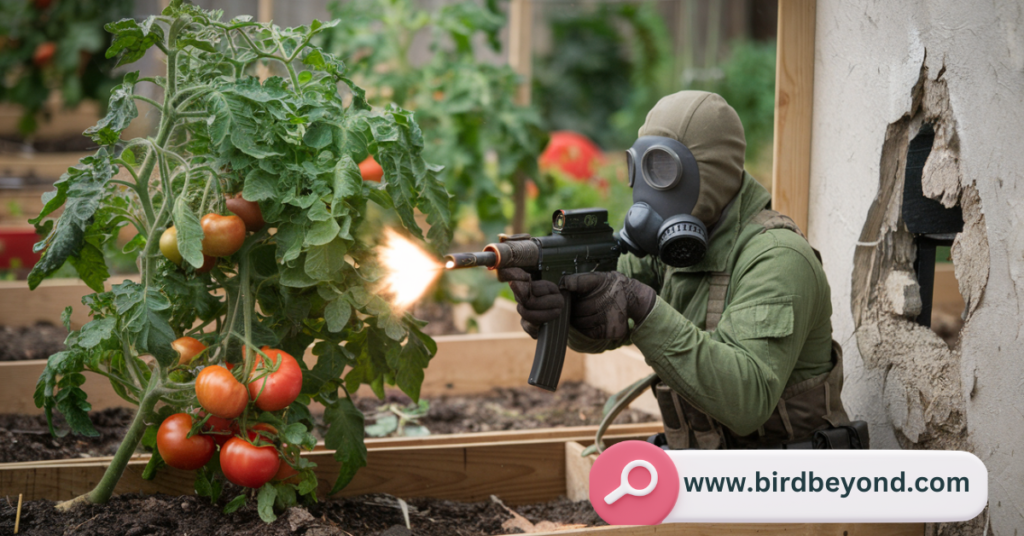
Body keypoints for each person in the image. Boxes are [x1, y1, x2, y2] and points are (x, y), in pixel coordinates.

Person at [500, 91, 864, 450]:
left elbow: (747, 402)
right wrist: (562, 304)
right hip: (710, 480)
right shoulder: (668, 248)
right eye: (637, 168)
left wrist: (642, 305)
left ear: (712, 174)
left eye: (661, 169)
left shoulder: (778, 258)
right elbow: (606, 324)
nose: (644, 188)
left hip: (792, 488)